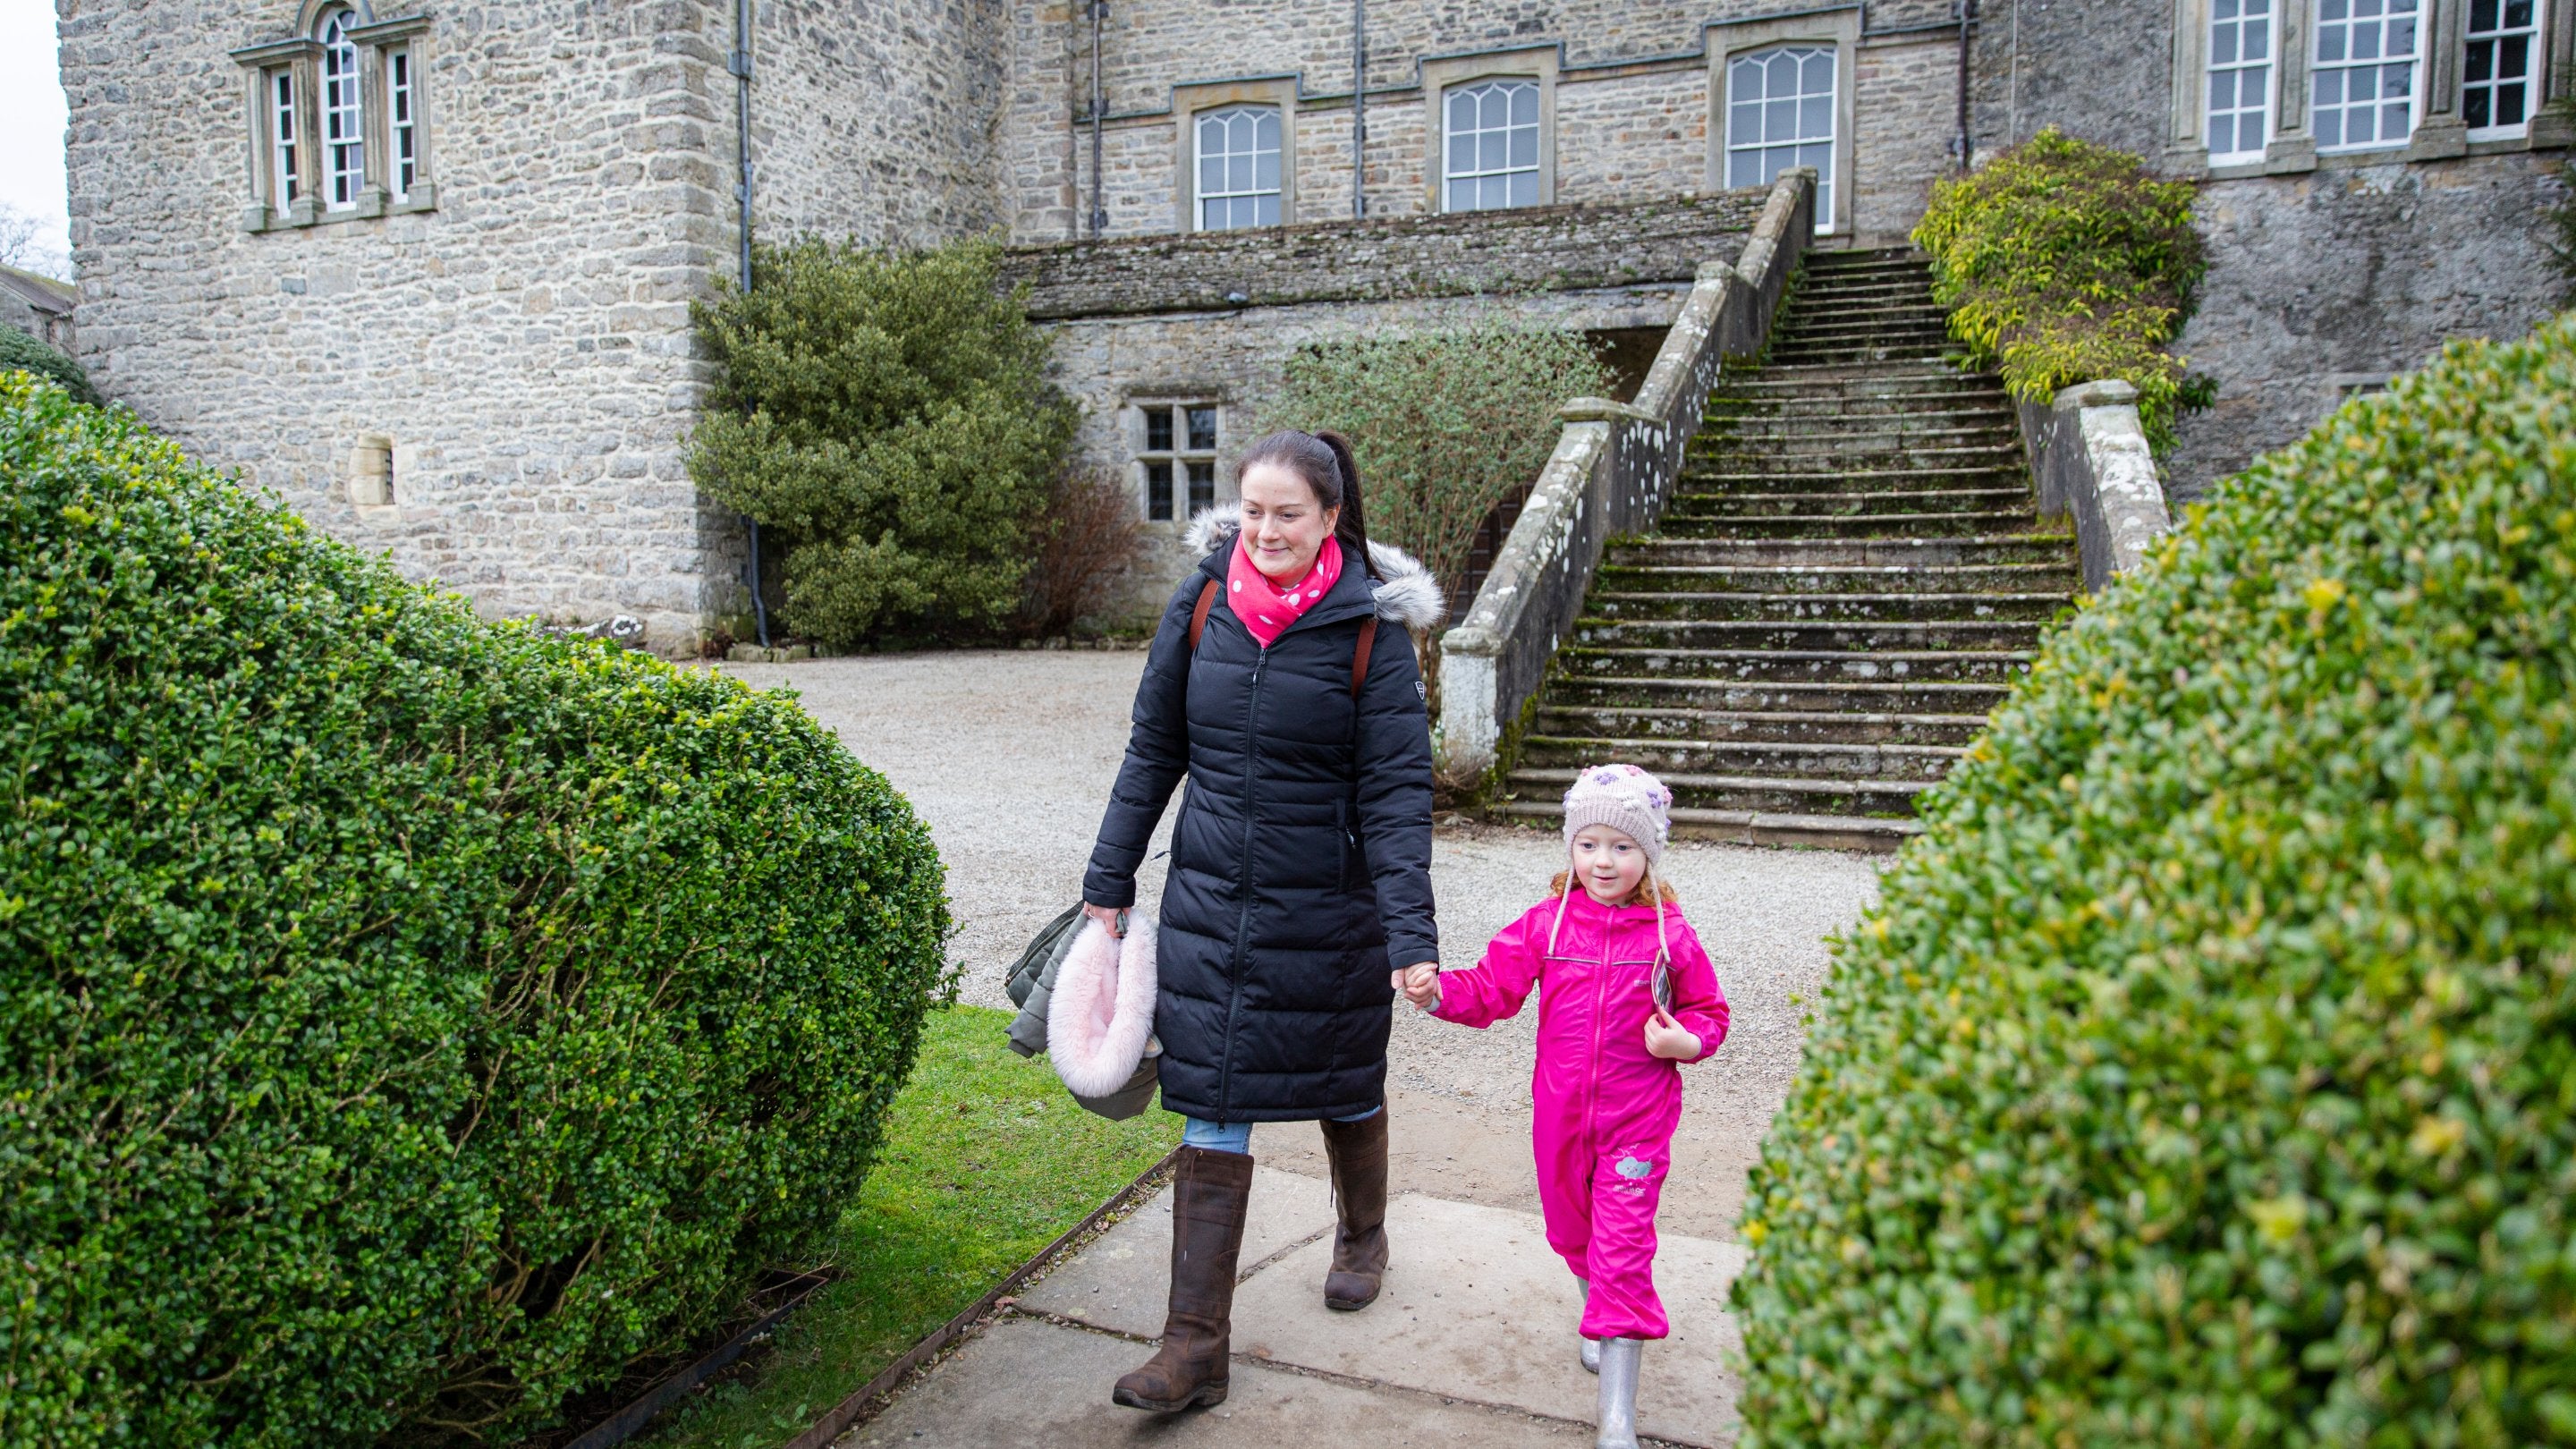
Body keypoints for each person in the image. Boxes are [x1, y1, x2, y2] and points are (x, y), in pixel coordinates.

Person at [1081, 428, 1445, 1414]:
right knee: (1216, 1094)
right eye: (1253, 510)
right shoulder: (1201, 601)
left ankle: (1362, 1234)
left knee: (1343, 1082)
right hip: (1210, 902)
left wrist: (1411, 937)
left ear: (1331, 518)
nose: (1267, 530)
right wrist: (1109, 880)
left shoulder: (1369, 628)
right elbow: (1153, 746)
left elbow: (1398, 791)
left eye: (1289, 514)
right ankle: (1194, 1346)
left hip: (1330, 910)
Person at [1399, 764, 1729, 1449]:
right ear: (1570, 848)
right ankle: (1597, 1311)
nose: (1603, 861)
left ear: (1648, 856)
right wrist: (1436, 994)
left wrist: (1689, 1040)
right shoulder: (1548, 925)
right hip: (1559, 1118)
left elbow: (1709, 1011)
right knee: (1573, 1233)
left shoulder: (1671, 936)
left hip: (1637, 1121)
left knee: (1623, 1248)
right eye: (1589, 844)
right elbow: (1492, 988)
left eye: (1621, 847)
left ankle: (1617, 1419)